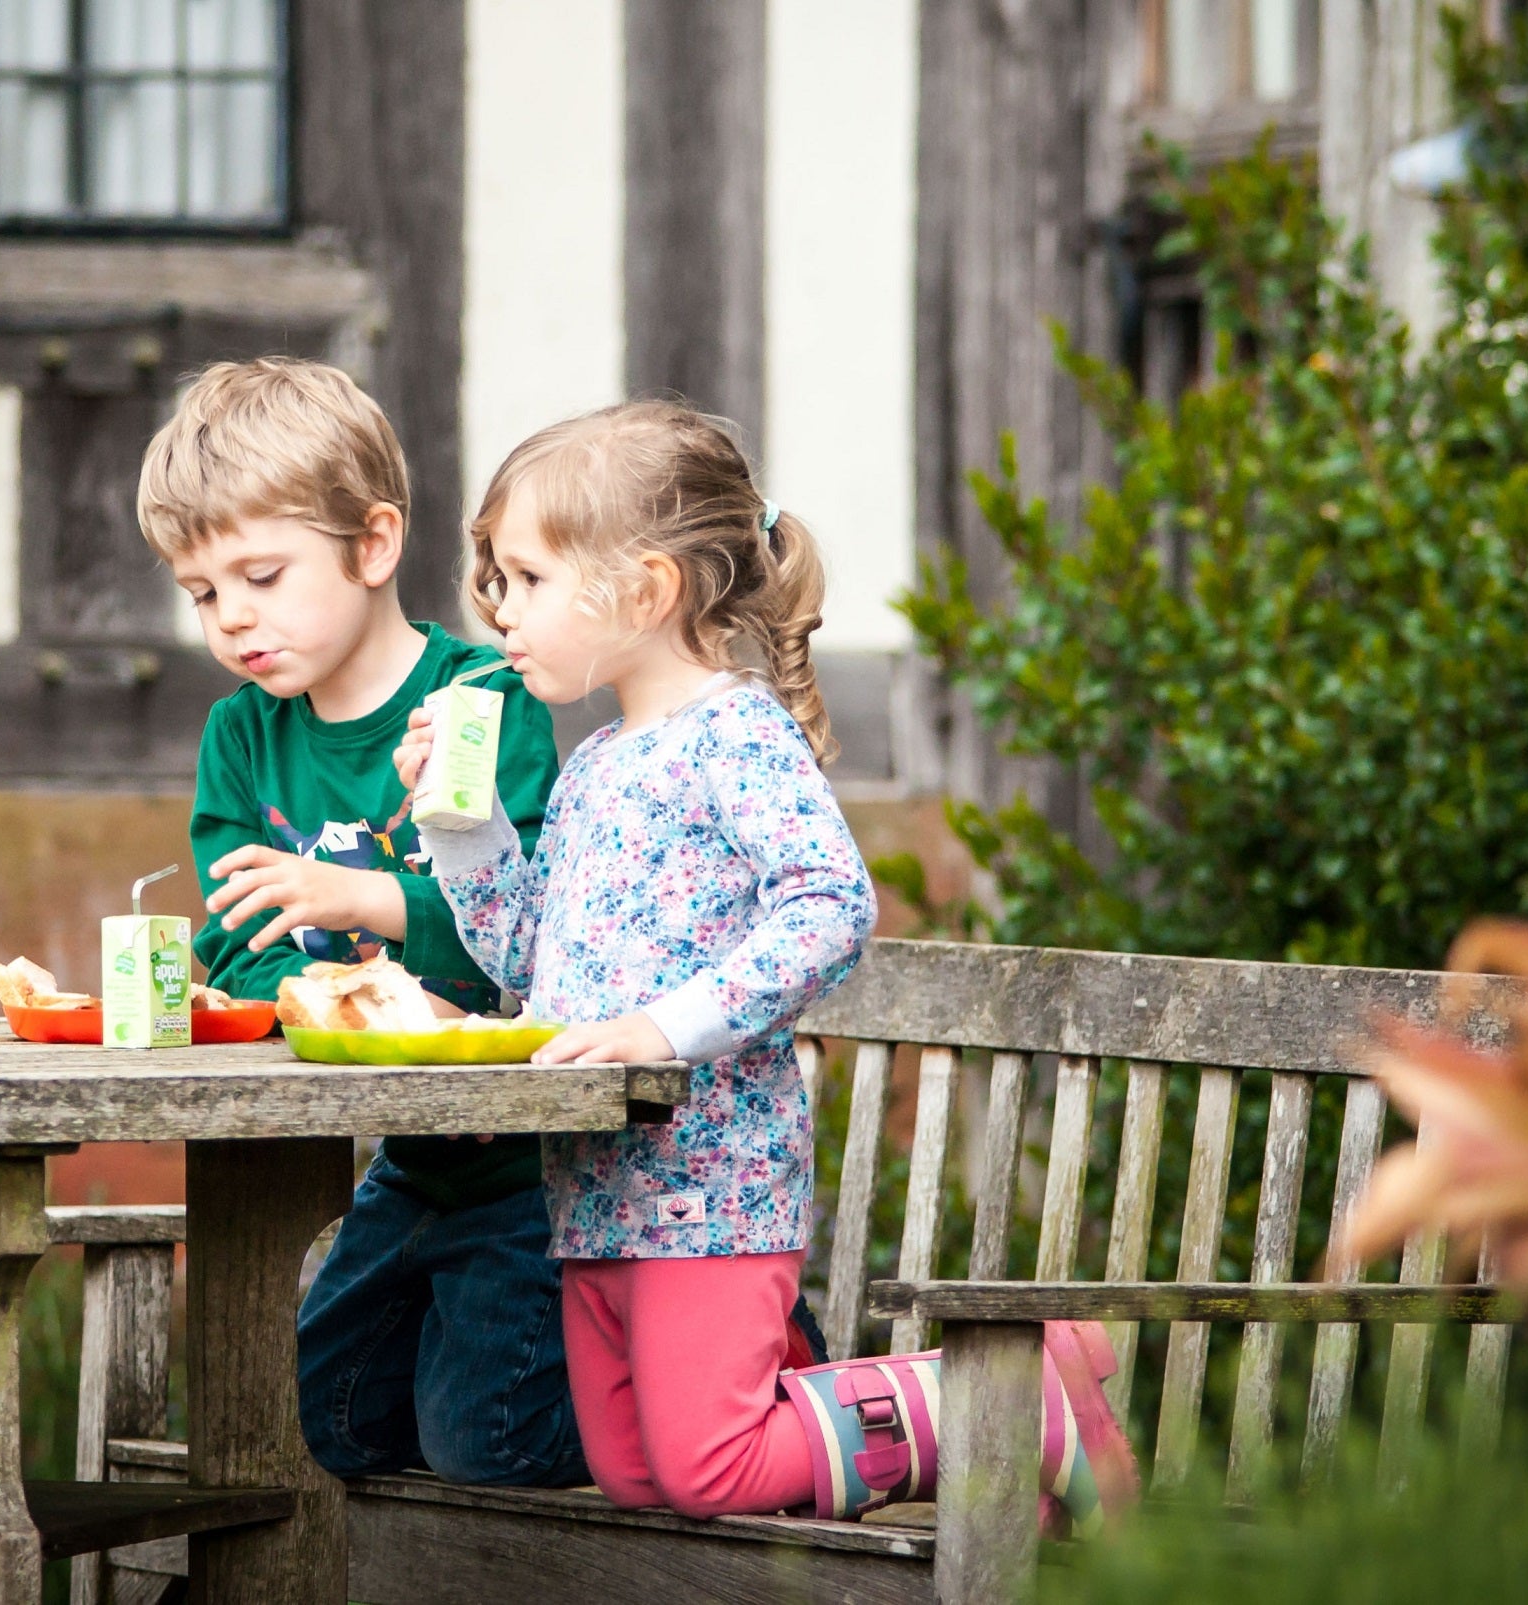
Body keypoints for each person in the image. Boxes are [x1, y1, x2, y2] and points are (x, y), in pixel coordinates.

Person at [397, 401, 1132, 1525]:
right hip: (595, 1192)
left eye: (528, 579)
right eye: (497, 579)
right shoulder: (595, 765)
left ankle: (1011, 1393)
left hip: (710, 1184)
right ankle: (994, 1461)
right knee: (643, 1474)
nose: (498, 610)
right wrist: (463, 830)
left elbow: (831, 905)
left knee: (709, 1469)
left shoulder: (735, 734)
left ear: (643, 591)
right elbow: (529, 958)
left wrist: (664, 1026)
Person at [135, 357, 586, 1487]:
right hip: (408, 1166)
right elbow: (235, 943)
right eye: (201, 592)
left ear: (374, 545)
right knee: (321, 1420)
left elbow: (516, 940)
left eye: (262, 574)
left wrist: (359, 904)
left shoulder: (482, 701)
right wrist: (305, 978)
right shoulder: (242, 738)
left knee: (483, 1442)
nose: (233, 616)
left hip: (530, 1164)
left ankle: (693, 1385)